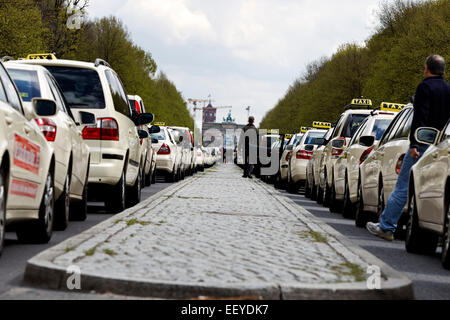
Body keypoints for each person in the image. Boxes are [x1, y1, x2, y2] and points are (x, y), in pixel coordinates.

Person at [367, 55, 450, 241]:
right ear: (443, 70)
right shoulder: (448, 89)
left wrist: (414, 143)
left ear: (427, 68)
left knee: (403, 187)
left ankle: (386, 226)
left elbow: (419, 117)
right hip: (440, 146)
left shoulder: (424, 87)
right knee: (427, 189)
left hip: (421, 143)